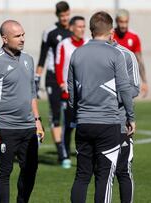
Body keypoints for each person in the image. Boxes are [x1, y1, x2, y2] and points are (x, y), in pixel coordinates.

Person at [68, 11, 136, 203]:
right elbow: (124, 89)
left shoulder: (77, 53)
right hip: (108, 124)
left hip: (83, 124)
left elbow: (72, 93)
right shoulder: (115, 54)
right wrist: (130, 117)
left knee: (81, 175)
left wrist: (78, 116)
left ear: (90, 31)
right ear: (111, 31)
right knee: (104, 177)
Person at [0, 20, 45, 203]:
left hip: (28, 127)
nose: (22, 39)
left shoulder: (28, 59)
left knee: (30, 170)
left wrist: (37, 120)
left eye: (23, 34)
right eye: (17, 36)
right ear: (5, 38)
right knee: (4, 173)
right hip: (5, 127)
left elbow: (32, 93)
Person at [35, 1, 72, 165]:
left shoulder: (74, 32)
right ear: (57, 16)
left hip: (69, 77)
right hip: (52, 77)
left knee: (71, 115)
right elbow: (42, 58)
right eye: (62, 15)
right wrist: (36, 80)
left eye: (67, 14)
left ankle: (66, 146)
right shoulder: (50, 32)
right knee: (56, 113)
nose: (65, 18)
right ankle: (61, 152)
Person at [55, 16, 88, 169]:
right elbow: (59, 66)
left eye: (84, 26)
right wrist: (62, 84)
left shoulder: (89, 44)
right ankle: (66, 155)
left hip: (86, 95)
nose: (82, 29)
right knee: (69, 126)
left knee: (85, 126)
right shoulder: (64, 45)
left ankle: (85, 155)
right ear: (72, 28)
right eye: (79, 26)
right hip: (68, 94)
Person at [111, 40, 140, 203]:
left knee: (123, 170)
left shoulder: (127, 55)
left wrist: (110, 96)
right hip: (98, 122)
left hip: (121, 123)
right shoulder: (89, 53)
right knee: (99, 173)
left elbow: (135, 87)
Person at [113, 9, 149, 97]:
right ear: (116, 21)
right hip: (111, 79)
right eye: (121, 22)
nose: (123, 25)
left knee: (126, 107)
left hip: (127, 80)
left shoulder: (134, 37)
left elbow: (139, 60)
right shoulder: (110, 35)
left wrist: (144, 81)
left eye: (126, 22)